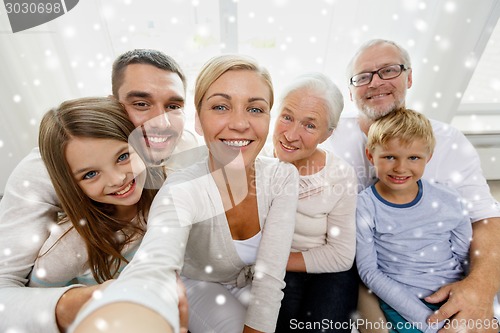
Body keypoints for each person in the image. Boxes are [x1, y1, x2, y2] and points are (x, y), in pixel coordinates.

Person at [69, 54, 300, 333]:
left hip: (250, 283)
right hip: (201, 286)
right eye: (220, 106)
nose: (240, 124)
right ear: (198, 121)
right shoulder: (180, 188)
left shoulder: (283, 176)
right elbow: (155, 263)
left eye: (255, 109)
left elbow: (271, 274)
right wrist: (134, 306)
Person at [0, 49, 196, 332]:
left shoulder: (183, 146)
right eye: (141, 103)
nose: (161, 123)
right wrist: (74, 303)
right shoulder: (40, 175)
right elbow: (5, 288)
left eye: (173, 106)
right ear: (112, 106)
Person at [323, 39, 500, 333]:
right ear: (351, 92)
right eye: (363, 76)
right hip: (373, 274)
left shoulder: (448, 142)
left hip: (437, 273)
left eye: (389, 70)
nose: (376, 82)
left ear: (410, 76)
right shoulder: (329, 139)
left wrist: (478, 286)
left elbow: (485, 218)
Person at [356, 108, 473, 333]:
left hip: (453, 296)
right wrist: (428, 321)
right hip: (404, 305)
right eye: (389, 157)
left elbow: (465, 256)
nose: (400, 168)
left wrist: (471, 301)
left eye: (413, 158)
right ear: (371, 155)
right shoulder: (365, 205)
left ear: (428, 157)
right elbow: (369, 271)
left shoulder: (449, 199)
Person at [32, 97, 156, 287]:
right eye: (91, 174)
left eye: (122, 157)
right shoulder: (68, 246)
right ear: (71, 185)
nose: (117, 179)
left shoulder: (166, 192)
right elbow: (34, 303)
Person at [270, 72, 358, 332]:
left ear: (327, 134)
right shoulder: (253, 160)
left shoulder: (341, 175)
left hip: (328, 269)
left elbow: (341, 256)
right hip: (278, 269)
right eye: (287, 117)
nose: (291, 134)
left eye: (309, 125)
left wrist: (271, 259)